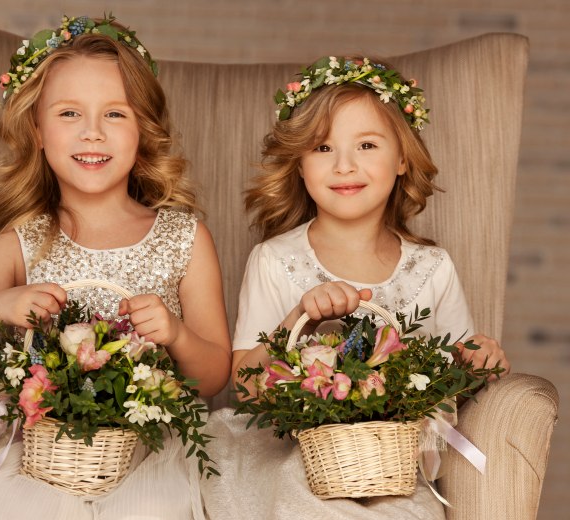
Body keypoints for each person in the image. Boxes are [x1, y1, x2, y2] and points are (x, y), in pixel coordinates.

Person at [0, 15, 231, 520]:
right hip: (46, 454)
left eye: (115, 114)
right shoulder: (20, 241)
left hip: (153, 451)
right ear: (38, 131)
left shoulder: (185, 237)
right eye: (69, 113)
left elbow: (215, 374)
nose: (93, 133)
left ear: (143, 133)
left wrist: (176, 334)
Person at [200, 56, 510, 519]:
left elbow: (453, 385)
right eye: (323, 148)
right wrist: (296, 321)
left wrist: (478, 361)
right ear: (300, 165)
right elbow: (242, 387)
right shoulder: (275, 260)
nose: (345, 165)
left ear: (402, 158)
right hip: (292, 454)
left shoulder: (431, 267)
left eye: (366, 144)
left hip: (388, 466)